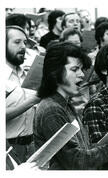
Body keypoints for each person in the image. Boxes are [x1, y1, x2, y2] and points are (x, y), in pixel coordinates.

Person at [33, 42, 108, 170]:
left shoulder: (64, 105)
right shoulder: (52, 109)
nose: (81, 74)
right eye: (74, 69)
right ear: (55, 73)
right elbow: (76, 161)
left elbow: (83, 148)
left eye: (81, 69)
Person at [6, 25, 41, 162]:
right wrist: (32, 101)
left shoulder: (27, 71)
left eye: (25, 42)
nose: (23, 47)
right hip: (8, 145)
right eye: (17, 42)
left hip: (32, 144)